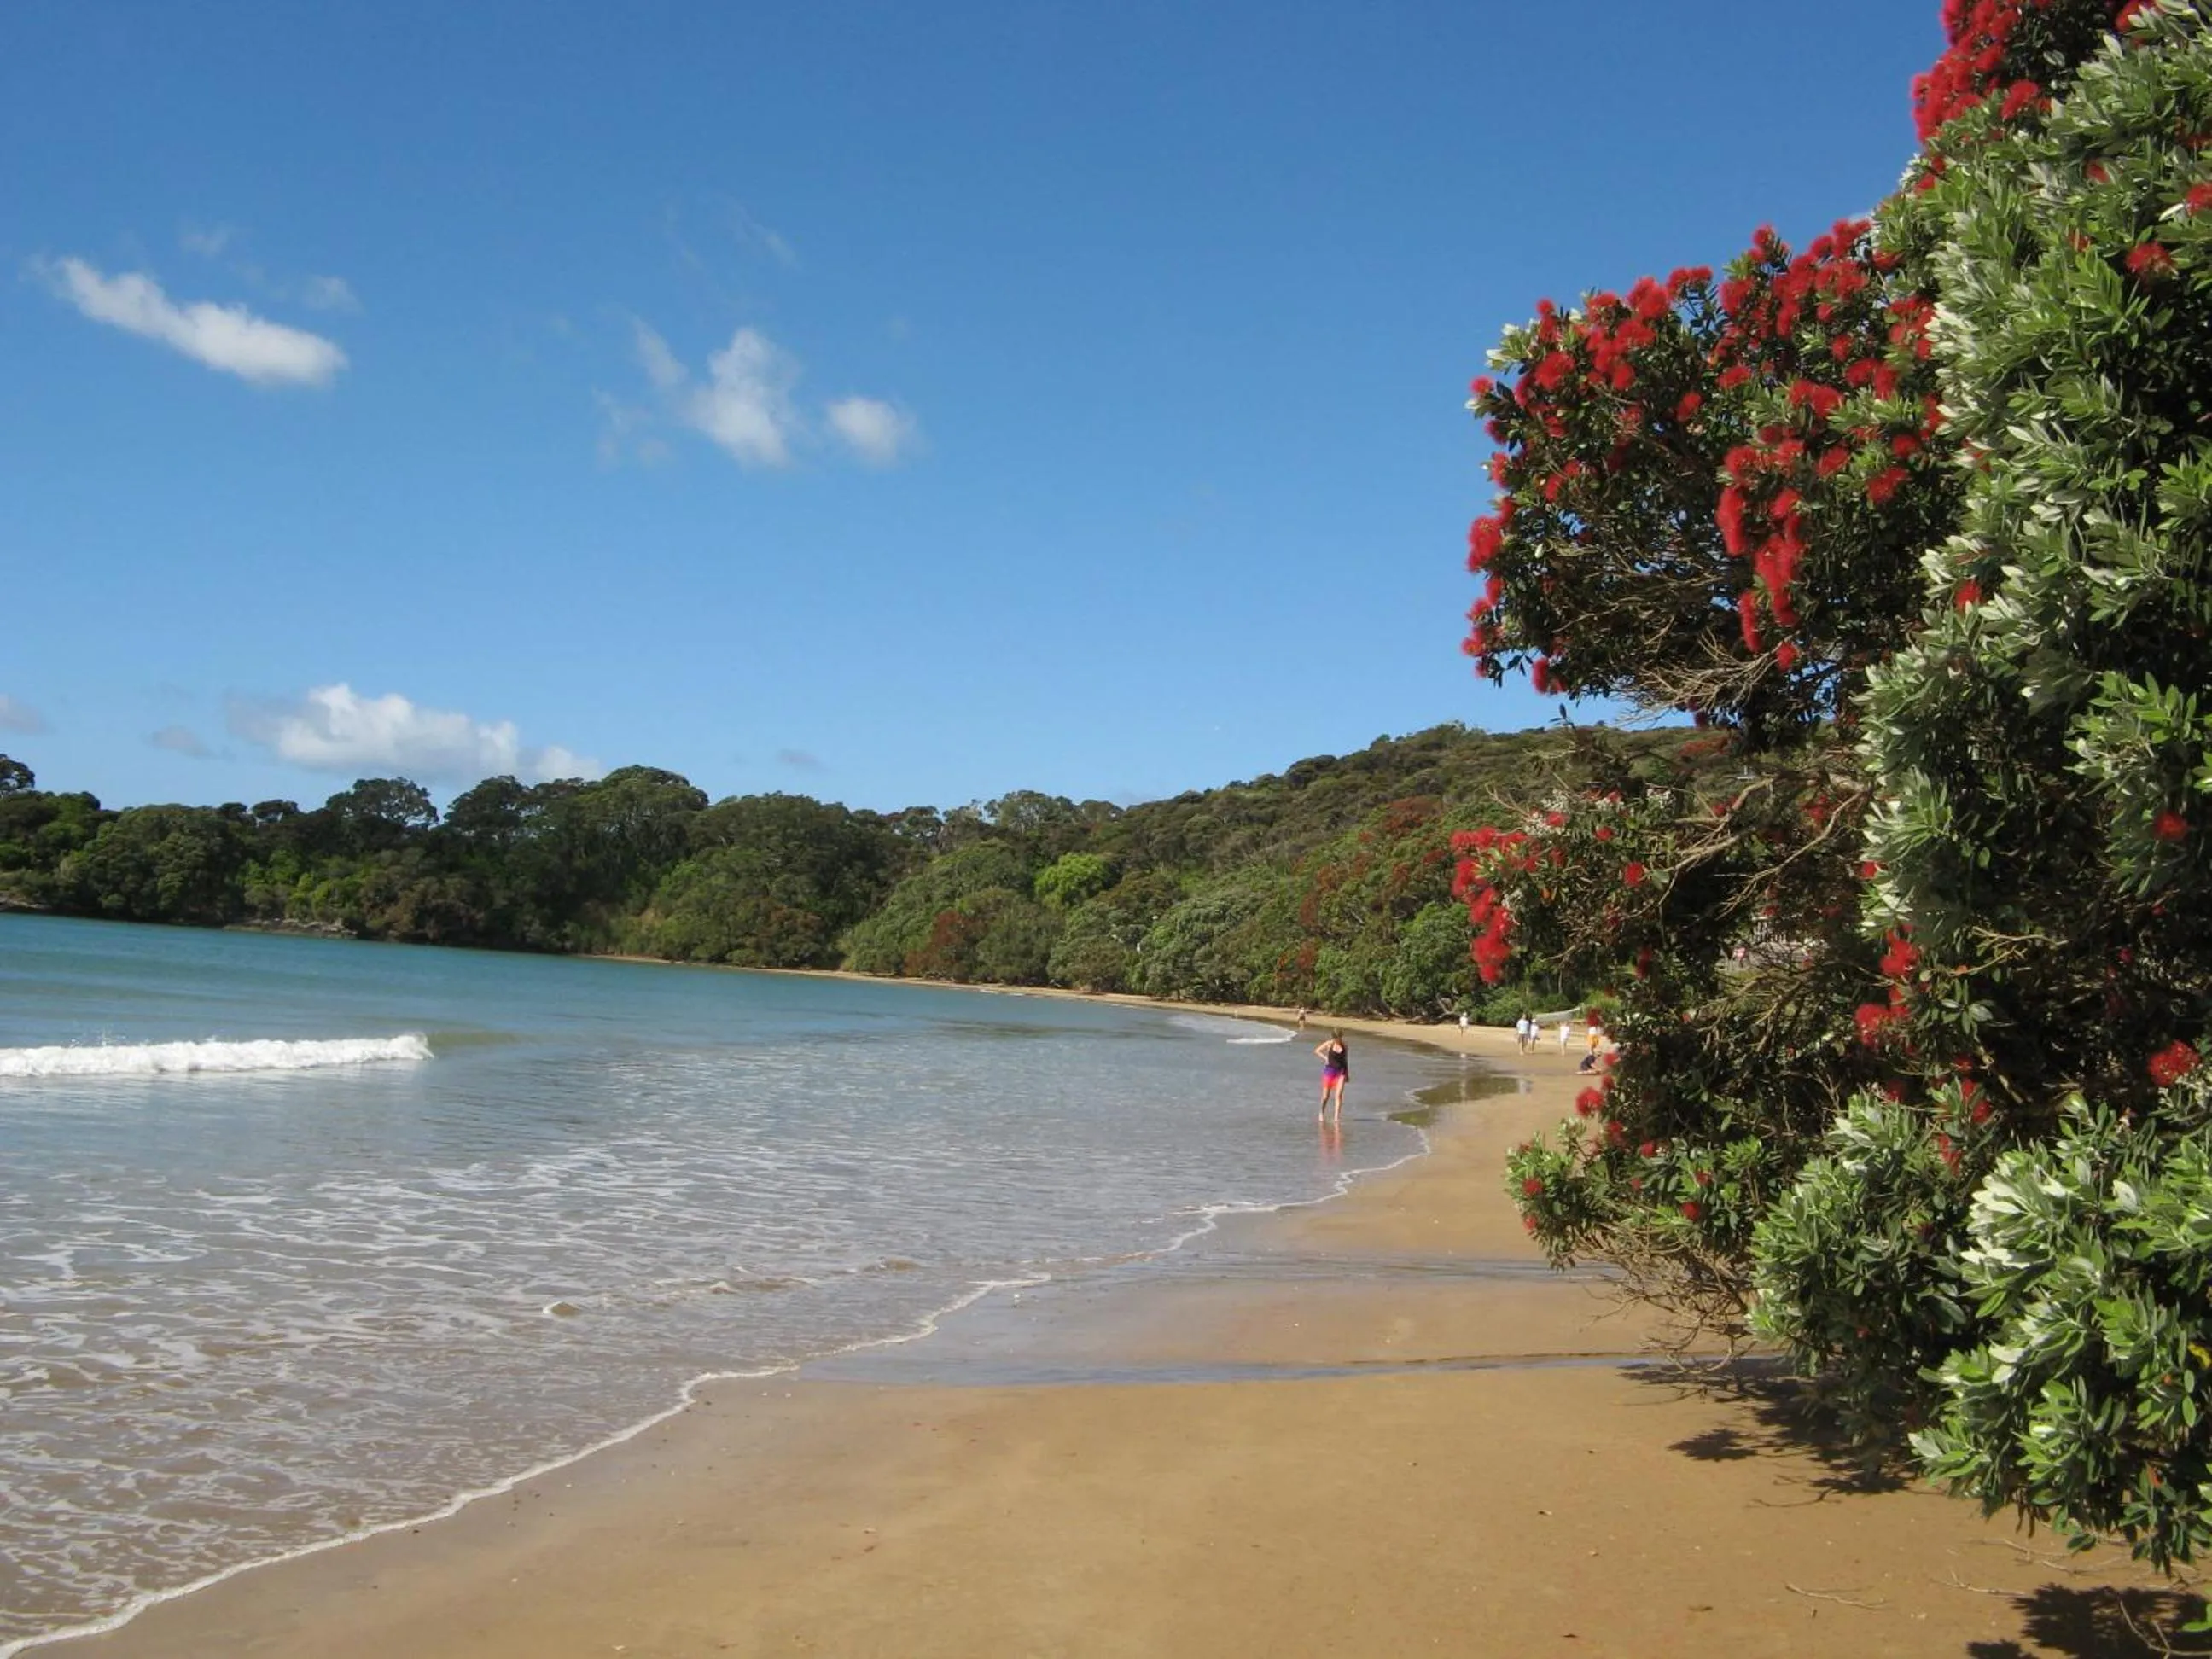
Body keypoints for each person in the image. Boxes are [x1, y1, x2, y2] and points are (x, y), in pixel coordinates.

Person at [1314, 1029, 1349, 1122]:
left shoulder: (1345, 1046)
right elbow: (1317, 1050)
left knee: (1339, 1095)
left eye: (1340, 1037)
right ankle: (1321, 1112)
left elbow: (1345, 1060)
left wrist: (1347, 1074)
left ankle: (1336, 1118)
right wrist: (1325, 1058)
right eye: (1337, 1038)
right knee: (1326, 1096)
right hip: (1329, 1071)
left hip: (1341, 1072)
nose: (1339, 1039)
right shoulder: (1329, 1044)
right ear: (1333, 1037)